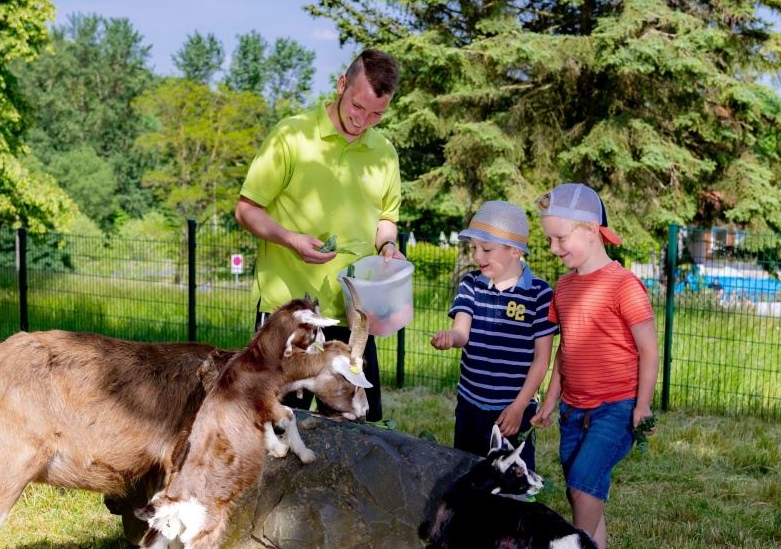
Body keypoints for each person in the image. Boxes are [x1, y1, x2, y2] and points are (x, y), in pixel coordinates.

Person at [235, 49, 404, 421]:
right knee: (276, 422)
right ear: (342, 85)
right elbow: (246, 210)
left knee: (356, 426)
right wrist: (290, 238)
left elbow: (386, 218)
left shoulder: (384, 154)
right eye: (358, 106)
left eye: (377, 114)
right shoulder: (291, 135)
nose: (363, 121)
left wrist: (388, 245)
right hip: (289, 313)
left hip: (354, 313)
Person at [529, 183, 659, 549]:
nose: (552, 247)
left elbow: (649, 350)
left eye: (560, 238)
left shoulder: (623, 285)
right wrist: (550, 399)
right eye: (549, 238)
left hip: (617, 407)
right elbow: (566, 351)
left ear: (590, 229)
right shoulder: (563, 289)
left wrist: (642, 405)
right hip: (573, 409)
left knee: (584, 485)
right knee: (582, 489)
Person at [431, 201, 556, 476]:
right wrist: (448, 338)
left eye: (486, 249)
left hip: (513, 410)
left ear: (515, 250)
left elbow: (541, 359)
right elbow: (461, 333)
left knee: (512, 485)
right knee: (468, 478)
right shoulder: (470, 284)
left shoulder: (540, 293)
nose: (477, 255)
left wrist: (520, 406)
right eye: (473, 247)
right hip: (470, 405)